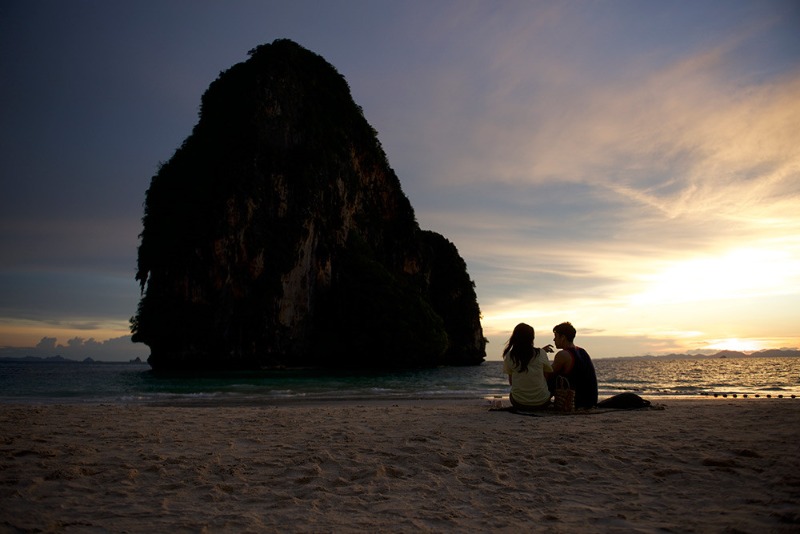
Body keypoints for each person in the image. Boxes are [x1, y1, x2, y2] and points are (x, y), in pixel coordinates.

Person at [502, 323, 553, 410]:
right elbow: (547, 376)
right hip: (542, 402)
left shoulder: (510, 356)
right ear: (532, 338)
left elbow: (511, 382)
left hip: (518, 402)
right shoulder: (541, 353)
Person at [547, 322, 598, 408]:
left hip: (576, 402)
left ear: (563, 338)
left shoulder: (563, 354)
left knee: (550, 376)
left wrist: (540, 355)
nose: (554, 340)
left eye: (556, 336)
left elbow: (548, 373)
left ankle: (540, 400)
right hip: (591, 401)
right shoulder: (582, 351)